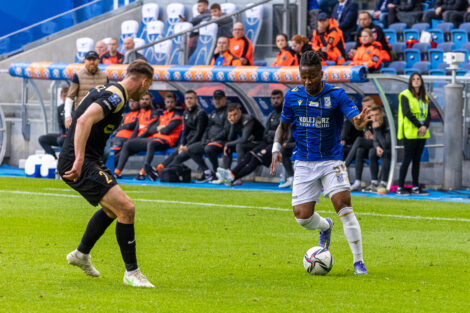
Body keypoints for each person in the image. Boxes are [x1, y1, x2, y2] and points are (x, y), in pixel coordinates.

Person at [270, 51, 370, 275]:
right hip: (304, 162)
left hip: (331, 160)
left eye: (313, 76)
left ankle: (358, 262)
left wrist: (360, 123)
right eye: (304, 76)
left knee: (343, 206)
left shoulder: (336, 94)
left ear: (321, 74)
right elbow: (283, 126)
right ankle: (325, 226)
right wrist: (276, 147)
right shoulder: (292, 96)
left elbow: (355, 119)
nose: (308, 81)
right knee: (302, 218)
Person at [57, 60, 155, 287]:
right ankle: (132, 273)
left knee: (112, 210)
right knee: (126, 208)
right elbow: (83, 120)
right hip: (79, 161)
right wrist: (80, 159)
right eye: (148, 86)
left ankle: (81, 255)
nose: (147, 91)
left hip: (89, 159)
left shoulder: (111, 90)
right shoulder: (117, 96)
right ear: (144, 81)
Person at [216, 90, 294, 186]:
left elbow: (285, 132)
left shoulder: (287, 114)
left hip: (278, 144)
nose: (275, 100)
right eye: (273, 98)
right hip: (267, 142)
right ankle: (231, 174)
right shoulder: (272, 115)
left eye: (278, 98)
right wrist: (274, 134)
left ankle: (233, 178)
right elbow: (266, 133)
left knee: (255, 159)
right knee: (249, 155)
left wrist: (275, 135)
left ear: (283, 99)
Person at [115, 92, 183, 180]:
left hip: (165, 141)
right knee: (128, 144)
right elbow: (152, 129)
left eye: (171, 102)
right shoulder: (163, 115)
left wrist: (159, 128)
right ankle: (117, 172)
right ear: (165, 103)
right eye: (168, 102)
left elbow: (165, 131)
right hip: (154, 139)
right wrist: (159, 128)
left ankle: (143, 172)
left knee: (151, 142)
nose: (169, 104)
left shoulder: (176, 116)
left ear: (175, 103)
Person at [153, 90, 208, 178]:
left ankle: (207, 172)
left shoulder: (201, 113)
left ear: (196, 100)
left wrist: (187, 146)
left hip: (200, 142)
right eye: (187, 98)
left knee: (180, 155)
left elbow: (199, 133)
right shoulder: (185, 113)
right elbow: (185, 132)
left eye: (191, 98)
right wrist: (182, 144)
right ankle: (160, 168)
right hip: (189, 143)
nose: (189, 100)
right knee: (176, 153)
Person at [396, 72, 431, 196]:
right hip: (410, 132)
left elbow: (428, 114)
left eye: (418, 79)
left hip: (422, 133)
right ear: (410, 82)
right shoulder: (405, 95)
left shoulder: (424, 97)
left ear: (421, 81)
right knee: (407, 159)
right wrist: (419, 126)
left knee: (417, 160)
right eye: (414, 79)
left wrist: (425, 126)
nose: (416, 81)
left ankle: (415, 187)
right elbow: (407, 113)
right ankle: (400, 187)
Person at [212, 103, 264, 184]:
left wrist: (228, 144)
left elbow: (243, 139)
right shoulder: (234, 121)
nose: (233, 117)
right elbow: (230, 139)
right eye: (230, 116)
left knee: (239, 145)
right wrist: (232, 125)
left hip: (260, 144)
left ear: (240, 112)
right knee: (229, 147)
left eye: (235, 114)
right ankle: (225, 174)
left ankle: (237, 176)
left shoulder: (248, 119)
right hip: (249, 144)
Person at [113, 92, 159, 178]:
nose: (144, 101)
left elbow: (149, 131)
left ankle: (142, 172)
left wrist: (135, 139)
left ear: (150, 101)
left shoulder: (154, 113)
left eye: (146, 99)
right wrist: (131, 140)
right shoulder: (141, 113)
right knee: (125, 148)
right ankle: (116, 172)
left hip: (150, 140)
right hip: (139, 141)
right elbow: (136, 129)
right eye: (142, 99)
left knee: (127, 145)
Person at [189, 89, 230, 183]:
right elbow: (207, 128)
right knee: (191, 149)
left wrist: (212, 139)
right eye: (215, 99)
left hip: (221, 141)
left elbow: (226, 130)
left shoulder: (228, 112)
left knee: (209, 148)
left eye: (219, 99)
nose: (217, 101)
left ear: (224, 99)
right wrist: (204, 139)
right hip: (210, 141)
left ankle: (216, 173)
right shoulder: (213, 113)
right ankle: (207, 172)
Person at [65, 51, 109, 129]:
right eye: (89, 59)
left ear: (98, 61)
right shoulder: (78, 76)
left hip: (99, 116)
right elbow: (70, 97)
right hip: (81, 115)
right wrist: (67, 116)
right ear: (85, 61)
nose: (92, 62)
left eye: (94, 59)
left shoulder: (104, 77)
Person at [344, 96, 376, 191]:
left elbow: (383, 134)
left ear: (374, 105)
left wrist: (374, 137)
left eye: (369, 106)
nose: (367, 109)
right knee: (359, 150)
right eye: (364, 107)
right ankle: (357, 182)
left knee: (359, 140)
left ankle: (344, 166)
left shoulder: (378, 115)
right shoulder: (363, 117)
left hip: (379, 144)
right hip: (368, 145)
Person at [38, 87, 68, 159]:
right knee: (42, 139)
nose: (66, 98)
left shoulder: (75, 108)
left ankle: (63, 160)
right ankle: (53, 158)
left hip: (71, 137)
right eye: (64, 96)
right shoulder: (60, 108)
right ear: (61, 97)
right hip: (63, 135)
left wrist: (66, 135)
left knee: (61, 140)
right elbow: (60, 126)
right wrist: (62, 134)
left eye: (68, 96)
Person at [367, 106, 391, 194]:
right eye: (372, 115)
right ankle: (374, 182)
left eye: (377, 115)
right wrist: (377, 147)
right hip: (381, 148)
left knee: (385, 153)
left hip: (394, 149)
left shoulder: (387, 122)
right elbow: (375, 141)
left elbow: (386, 144)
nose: (375, 117)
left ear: (381, 114)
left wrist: (377, 130)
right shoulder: (374, 123)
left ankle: (384, 182)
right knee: (372, 152)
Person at [110, 99, 140, 165]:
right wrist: (124, 126)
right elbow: (118, 126)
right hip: (116, 138)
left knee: (114, 154)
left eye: (134, 101)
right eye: (130, 101)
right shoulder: (126, 115)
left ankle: (111, 169)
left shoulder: (140, 114)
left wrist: (123, 126)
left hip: (126, 139)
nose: (132, 104)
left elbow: (132, 125)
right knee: (108, 152)